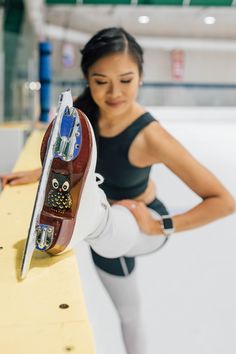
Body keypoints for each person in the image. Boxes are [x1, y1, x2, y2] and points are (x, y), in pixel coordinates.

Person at [1, 27, 235, 354]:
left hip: (142, 224)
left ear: (140, 77)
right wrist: (38, 173)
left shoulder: (151, 135)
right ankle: (88, 218)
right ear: (87, 79)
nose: (114, 93)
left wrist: (160, 225)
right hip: (103, 229)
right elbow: (77, 164)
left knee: (127, 301)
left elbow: (224, 201)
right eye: (101, 81)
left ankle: (90, 218)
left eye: (126, 80)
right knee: (126, 304)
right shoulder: (85, 117)